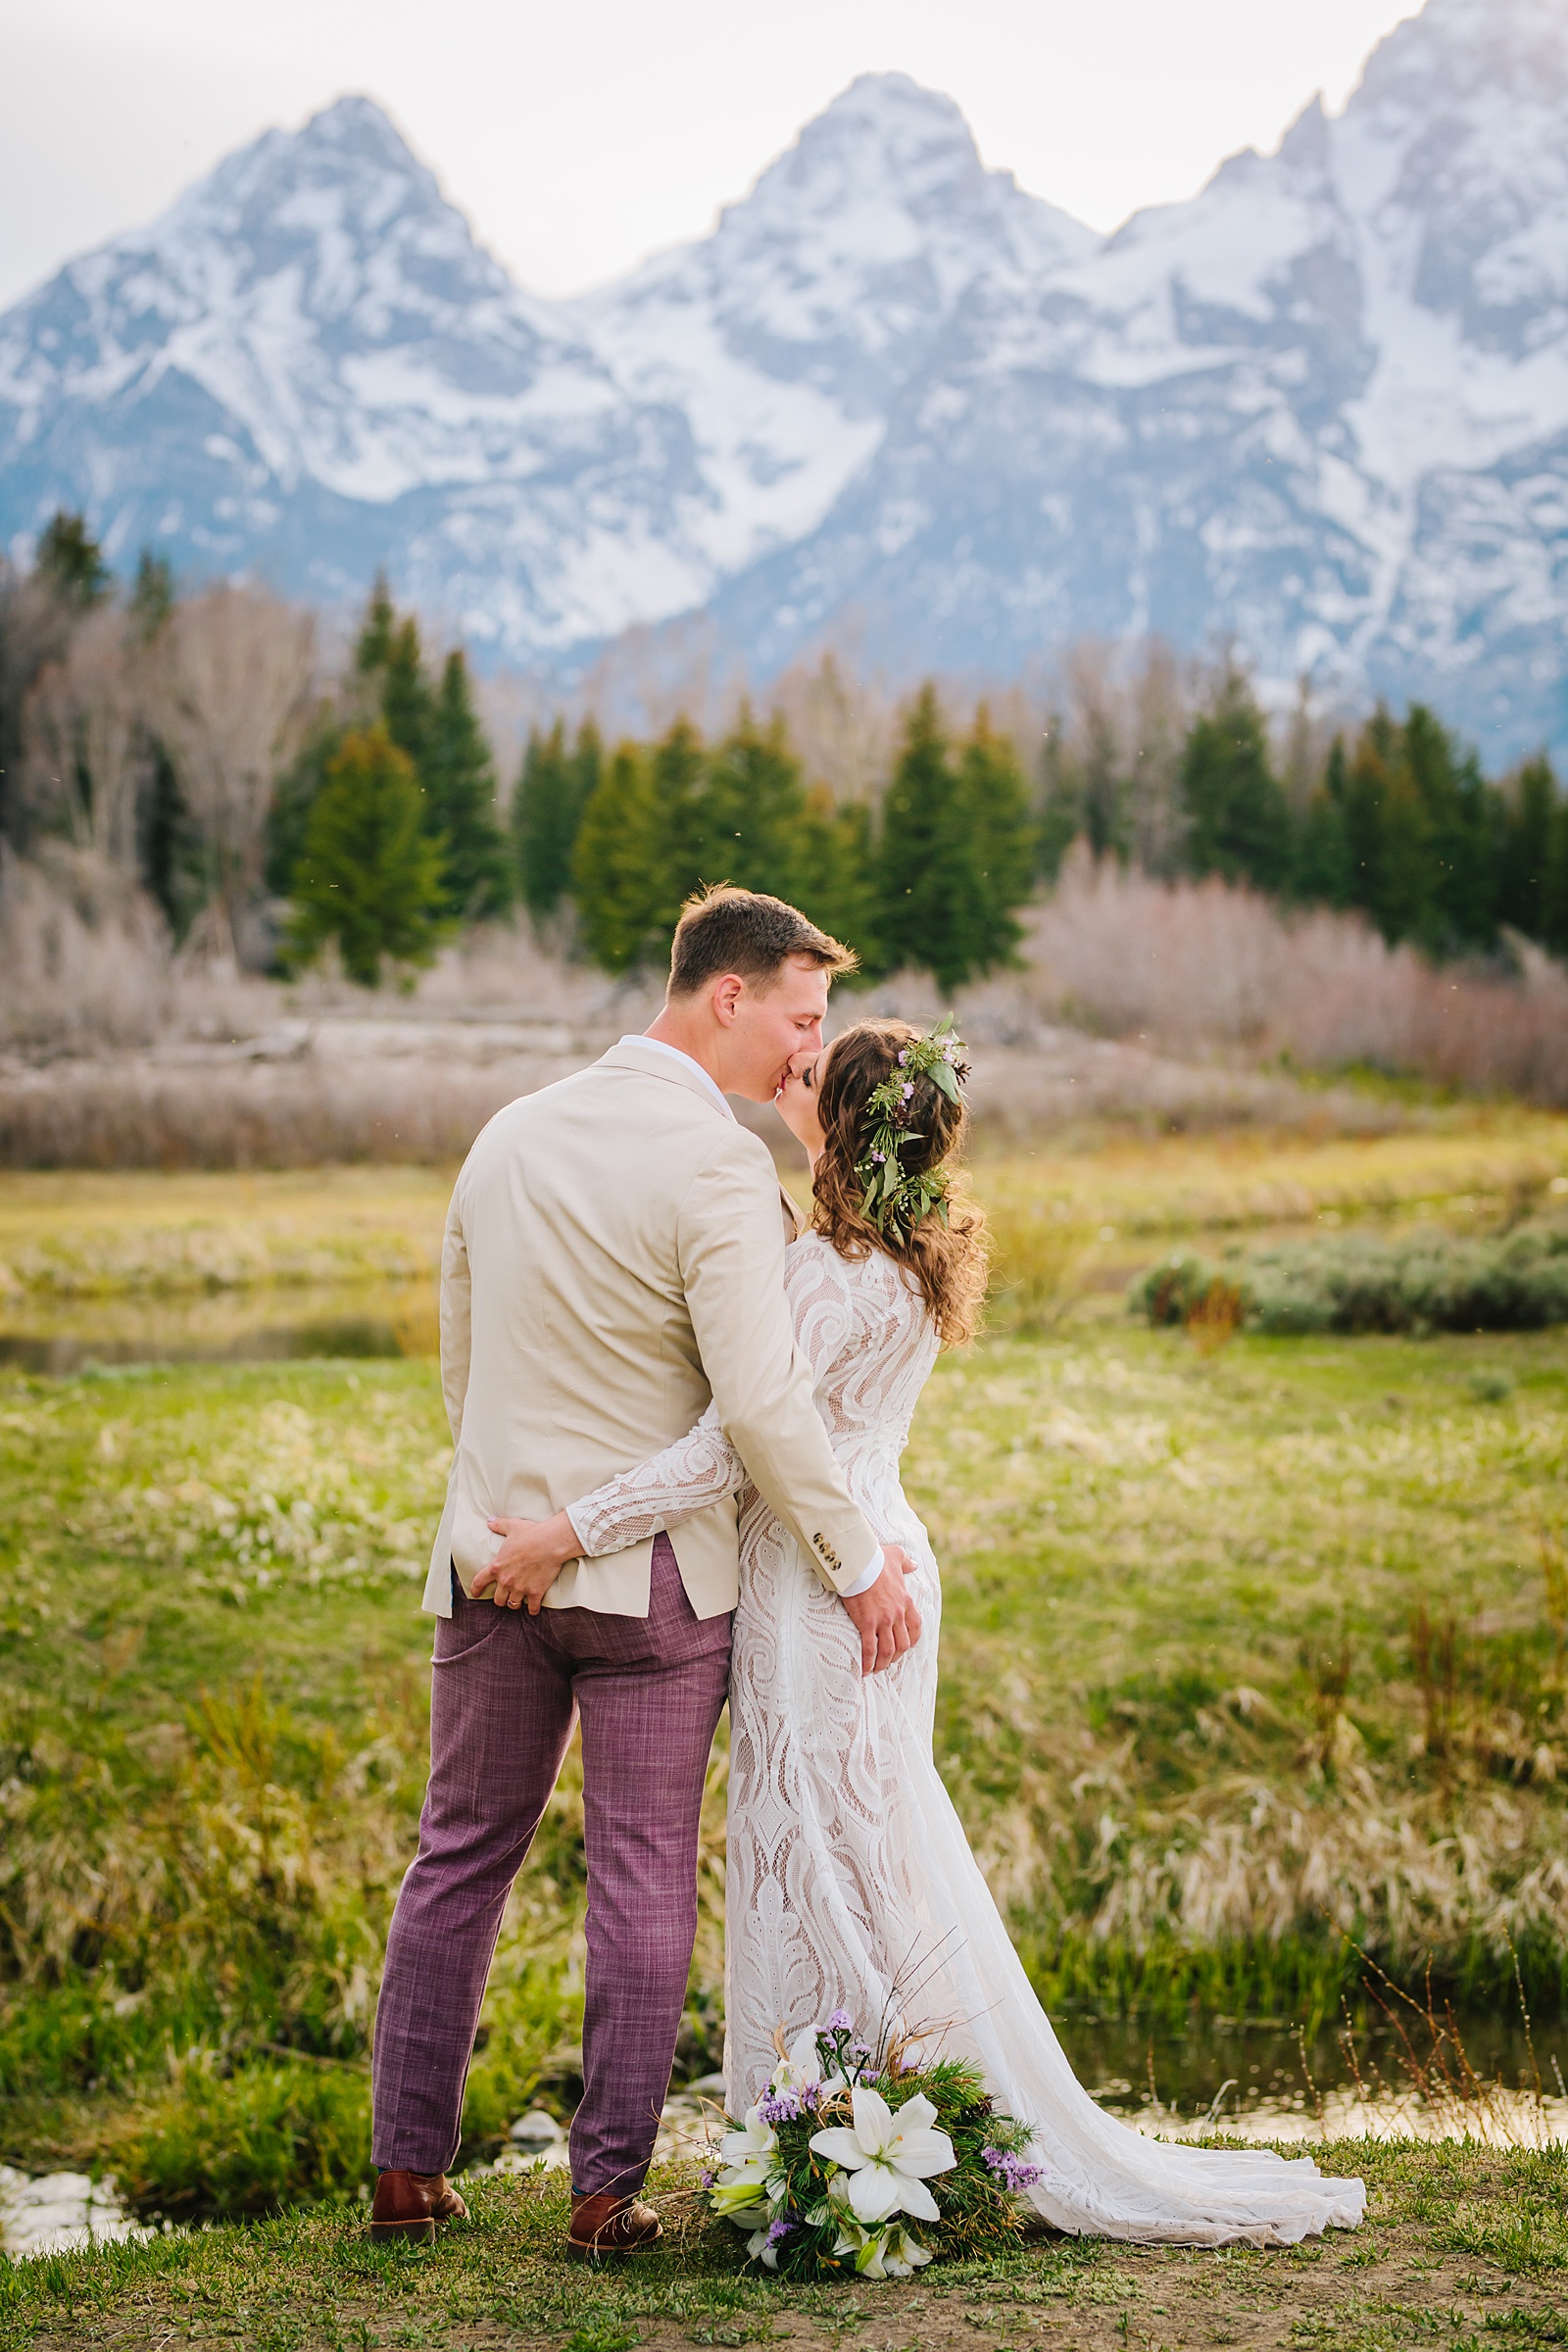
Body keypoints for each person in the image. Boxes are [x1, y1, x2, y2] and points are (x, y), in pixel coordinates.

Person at [495, 1016, 1367, 2247]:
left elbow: (732, 1445)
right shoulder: (900, 1256)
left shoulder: (817, 1269)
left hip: (821, 1588)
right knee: (873, 1847)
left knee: (819, 1852)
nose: (782, 1088)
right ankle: (873, 2119)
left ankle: (835, 2131)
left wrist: (565, 1530)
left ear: (840, 1123)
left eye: (806, 1080)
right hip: (885, 1559)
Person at [368, 889, 921, 2259]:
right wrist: (855, 1566)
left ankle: (404, 2171)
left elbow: (462, 1354)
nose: (810, 1050)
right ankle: (604, 2192)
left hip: (496, 1564)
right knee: (639, 1873)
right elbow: (761, 1403)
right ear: (724, 995)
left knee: (457, 1858)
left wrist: (508, 1515)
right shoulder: (719, 1165)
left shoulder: (508, 1133)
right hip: (660, 1588)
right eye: (801, 1018)